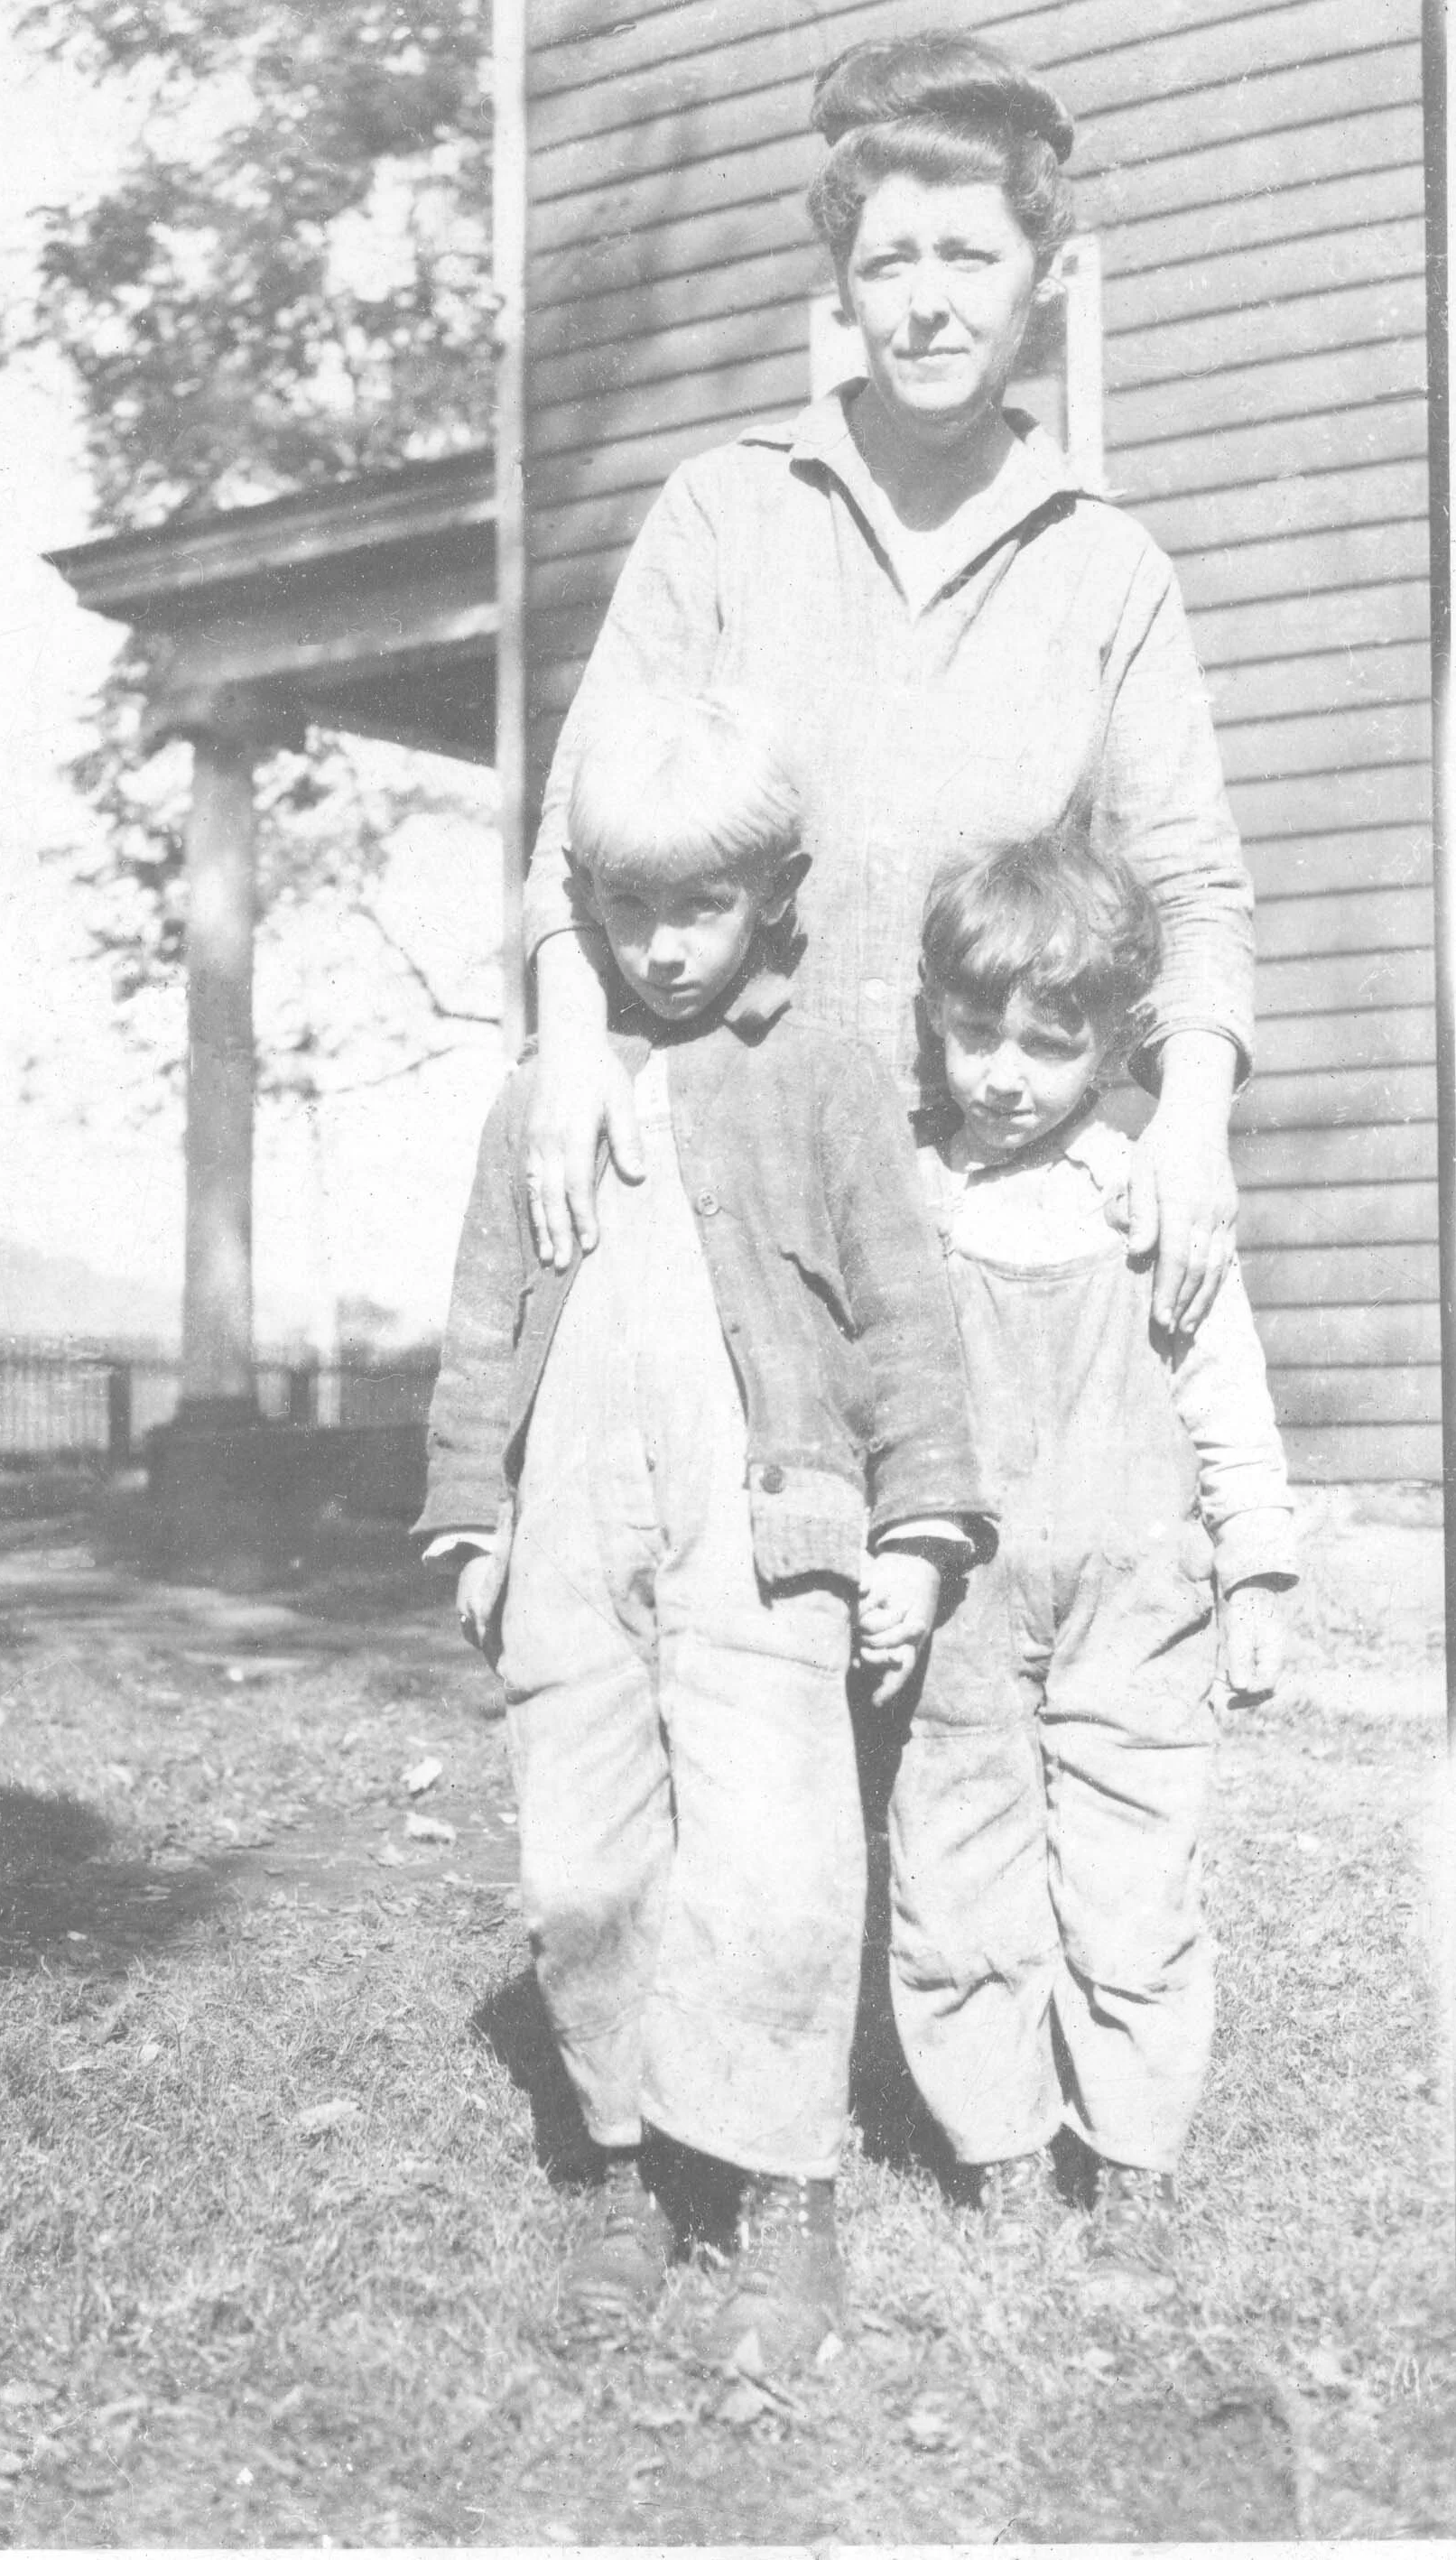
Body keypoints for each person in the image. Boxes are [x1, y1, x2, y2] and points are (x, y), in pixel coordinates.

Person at [415, 692, 994, 2368]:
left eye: (701, 907)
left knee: (775, 1864)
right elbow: (477, 1321)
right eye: (626, 908)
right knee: (581, 1863)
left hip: (768, 1523)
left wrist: (916, 1530)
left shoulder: (817, 1081)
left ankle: (782, 2194)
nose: (662, 948)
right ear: (582, 905)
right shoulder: (543, 1091)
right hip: (572, 1530)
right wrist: (471, 1517)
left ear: (776, 893)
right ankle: (620, 2173)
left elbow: (901, 1316)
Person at [520, 28, 1256, 1344]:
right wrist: (570, 1049)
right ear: (843, 292)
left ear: (1041, 278)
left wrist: (1191, 1121)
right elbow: (576, 834)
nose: (927, 303)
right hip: (720, 1188)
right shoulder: (722, 513)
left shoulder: (1107, 566)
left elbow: (1191, 891)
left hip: (986, 1198)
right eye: (886, 263)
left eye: (969, 257)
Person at [876, 834, 1295, 2298]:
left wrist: (1253, 1569)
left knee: (1129, 1880)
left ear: (1111, 1045)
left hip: (1136, 1601)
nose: (1004, 1073)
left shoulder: (1146, 1198)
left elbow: (1224, 1392)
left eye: (1049, 1046)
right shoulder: (909, 1204)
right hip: (961, 1611)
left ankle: (1131, 2153)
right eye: (976, 1032)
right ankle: (992, 2140)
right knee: (957, 1870)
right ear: (933, 1015)